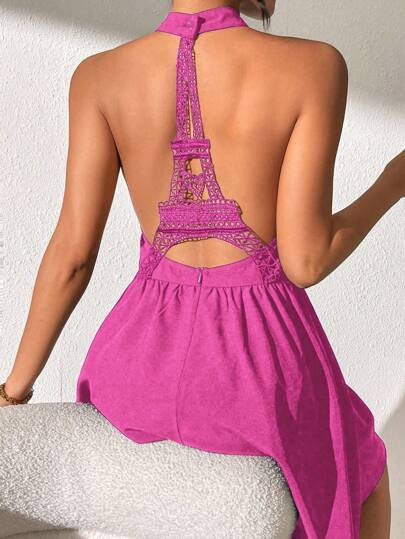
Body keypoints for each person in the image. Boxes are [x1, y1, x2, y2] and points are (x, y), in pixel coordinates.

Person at [1, 0, 403, 537]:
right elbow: (306, 261)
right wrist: (391, 183)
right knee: (362, 462)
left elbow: (72, 256)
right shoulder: (315, 64)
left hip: (135, 369)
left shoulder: (98, 76)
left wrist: (13, 390)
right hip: (256, 377)